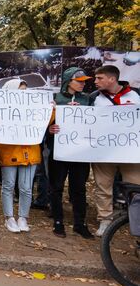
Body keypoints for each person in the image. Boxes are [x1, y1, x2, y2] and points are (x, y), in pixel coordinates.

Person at [88, 65, 140, 236]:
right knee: (103, 186)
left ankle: (134, 219)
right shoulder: (93, 98)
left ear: (112, 79)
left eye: (99, 78)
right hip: (104, 152)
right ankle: (105, 221)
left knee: (135, 187)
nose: (95, 82)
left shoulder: (136, 95)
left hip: (131, 152)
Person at [46, 67, 94, 238]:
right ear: (68, 81)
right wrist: (49, 129)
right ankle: (58, 222)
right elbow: (42, 122)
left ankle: (80, 224)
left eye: (84, 81)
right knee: (56, 187)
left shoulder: (88, 100)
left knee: (79, 189)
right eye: (78, 81)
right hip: (58, 152)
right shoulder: (54, 99)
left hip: (80, 153)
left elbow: (96, 124)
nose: (83, 84)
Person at [0, 79, 41, 233]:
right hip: (9, 153)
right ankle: (9, 217)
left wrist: (52, 110)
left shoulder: (35, 108)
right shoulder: (2, 110)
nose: (23, 94)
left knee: (26, 188)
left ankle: (23, 217)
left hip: (30, 154)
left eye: (25, 91)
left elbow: (46, 121)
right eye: (20, 90)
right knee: (8, 186)